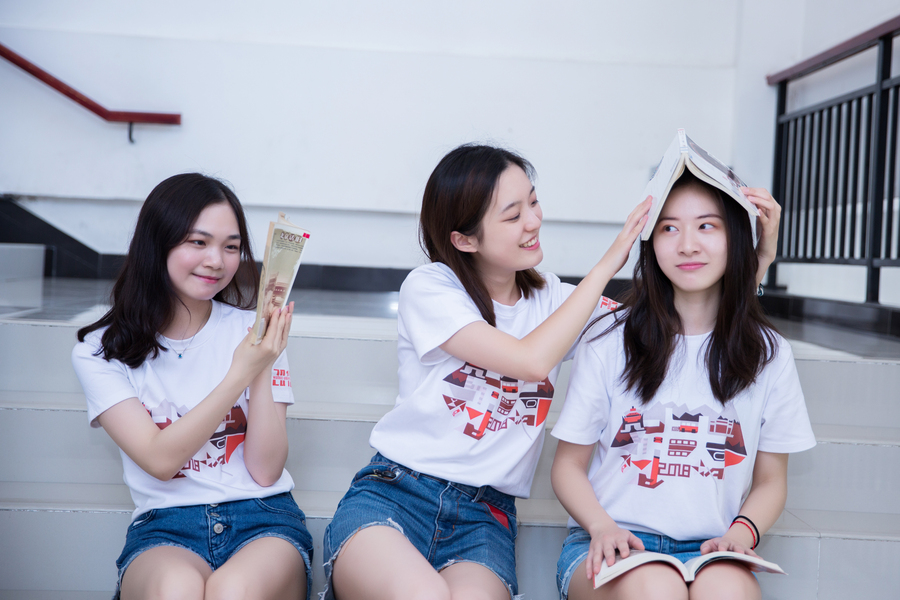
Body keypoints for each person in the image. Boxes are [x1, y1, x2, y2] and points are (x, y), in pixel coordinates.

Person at [550, 172, 815, 600]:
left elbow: (771, 480)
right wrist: (601, 526)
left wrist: (741, 535)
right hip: (614, 541)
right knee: (657, 588)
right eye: (669, 228)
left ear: (735, 237)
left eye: (706, 226)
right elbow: (566, 467)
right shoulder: (609, 339)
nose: (687, 245)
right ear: (649, 241)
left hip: (712, 548)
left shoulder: (769, 353)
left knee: (729, 592)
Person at [71, 174, 313, 600]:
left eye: (231, 247)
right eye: (198, 242)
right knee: (175, 589)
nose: (216, 261)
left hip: (262, 519)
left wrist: (260, 364)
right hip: (166, 525)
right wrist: (241, 371)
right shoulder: (99, 351)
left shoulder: (254, 330)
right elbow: (160, 460)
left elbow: (265, 471)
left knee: (232, 591)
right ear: (157, 244)